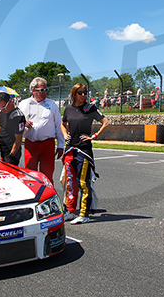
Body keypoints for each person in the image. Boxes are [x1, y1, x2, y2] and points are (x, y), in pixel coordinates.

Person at [61, 83, 110, 224]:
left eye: (85, 93)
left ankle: (84, 214)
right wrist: (65, 135)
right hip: (70, 148)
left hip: (84, 149)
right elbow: (62, 124)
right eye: (80, 93)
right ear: (74, 94)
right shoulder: (68, 109)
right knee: (70, 182)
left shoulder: (90, 108)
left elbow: (106, 123)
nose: (83, 95)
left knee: (83, 182)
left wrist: (94, 136)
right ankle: (70, 211)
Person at [19, 77, 64, 184]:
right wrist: (23, 122)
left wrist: (61, 145)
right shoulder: (24, 104)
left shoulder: (52, 104)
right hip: (31, 145)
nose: (45, 93)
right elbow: (17, 123)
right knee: (31, 175)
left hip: (47, 144)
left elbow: (59, 125)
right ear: (33, 90)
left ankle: (48, 198)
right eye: (42, 90)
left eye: (46, 90)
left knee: (47, 175)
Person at [0, 92, 25, 166]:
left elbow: (18, 140)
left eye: (4, 107)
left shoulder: (17, 116)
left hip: (11, 152)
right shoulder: (4, 111)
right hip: (3, 149)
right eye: (0, 108)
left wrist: (11, 156)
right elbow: (2, 126)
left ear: (10, 102)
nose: (2, 110)